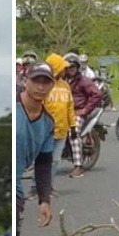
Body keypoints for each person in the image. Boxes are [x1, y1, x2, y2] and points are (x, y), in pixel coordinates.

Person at [16, 61, 56, 236]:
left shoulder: (47, 123)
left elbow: (43, 165)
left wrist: (44, 201)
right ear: (25, 81)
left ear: (52, 86)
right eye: (36, 80)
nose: (41, 86)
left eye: (46, 82)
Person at [28, 54, 79, 196]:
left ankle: (48, 187)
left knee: (55, 161)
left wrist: (73, 126)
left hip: (62, 131)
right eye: (63, 68)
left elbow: (69, 107)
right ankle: (34, 187)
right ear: (56, 69)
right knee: (41, 160)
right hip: (45, 131)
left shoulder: (65, 85)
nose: (66, 70)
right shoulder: (45, 86)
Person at [63, 52, 103, 178]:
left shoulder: (84, 81)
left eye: (73, 67)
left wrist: (85, 110)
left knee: (72, 133)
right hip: (62, 112)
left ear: (77, 67)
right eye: (69, 67)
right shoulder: (62, 80)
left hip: (77, 112)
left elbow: (97, 94)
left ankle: (78, 166)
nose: (71, 69)